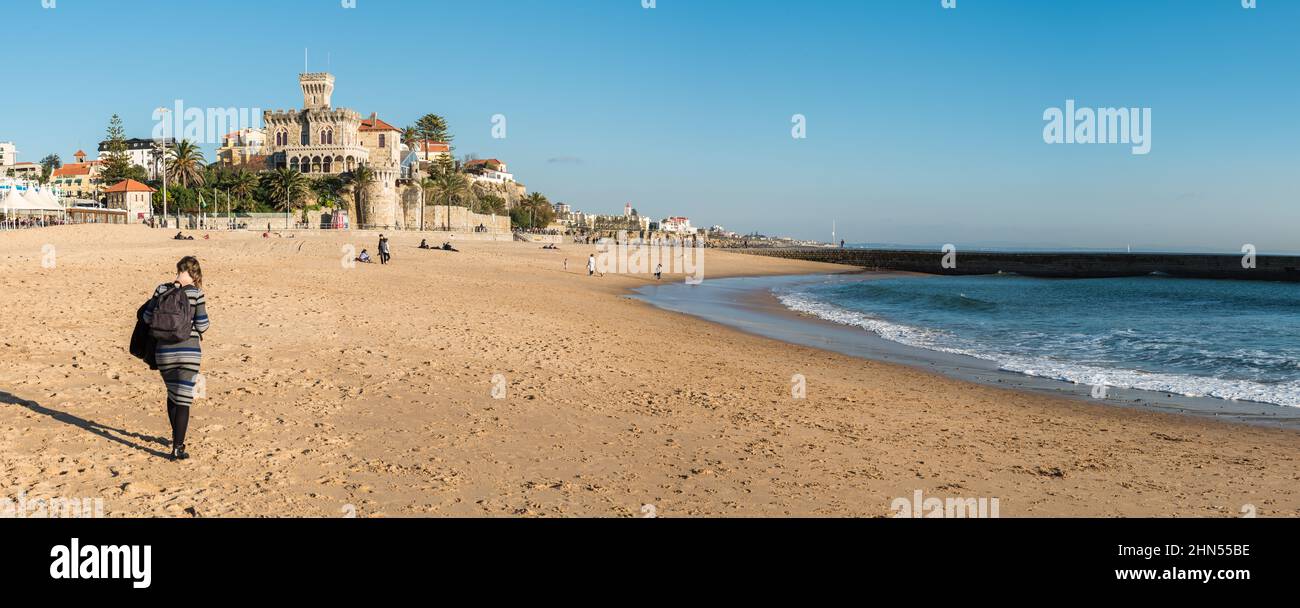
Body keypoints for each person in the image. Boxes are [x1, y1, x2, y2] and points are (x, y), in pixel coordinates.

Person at [142, 256, 210, 461]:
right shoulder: (196, 293)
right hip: (188, 352)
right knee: (183, 400)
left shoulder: (162, 289)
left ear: (178, 269)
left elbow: (147, 317)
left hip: (164, 353)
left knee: (173, 394)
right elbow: (203, 325)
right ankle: (177, 447)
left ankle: (175, 439)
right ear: (195, 273)